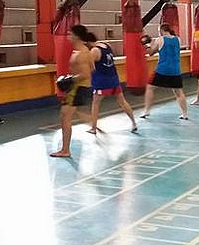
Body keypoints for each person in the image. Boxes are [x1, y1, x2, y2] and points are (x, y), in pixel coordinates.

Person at [50, 25, 94, 158]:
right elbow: (93, 68)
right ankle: (65, 148)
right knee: (66, 116)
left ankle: (65, 150)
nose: (68, 36)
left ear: (76, 36)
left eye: (70, 34)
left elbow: (86, 73)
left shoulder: (82, 54)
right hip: (77, 88)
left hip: (78, 88)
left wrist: (69, 80)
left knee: (65, 117)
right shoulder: (81, 51)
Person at [84, 29, 137, 134]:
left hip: (102, 80)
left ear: (88, 42)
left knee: (95, 103)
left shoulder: (94, 51)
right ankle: (134, 122)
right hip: (113, 78)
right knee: (122, 101)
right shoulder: (106, 45)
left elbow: (91, 68)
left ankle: (93, 128)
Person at [142, 24, 188, 120]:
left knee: (150, 88)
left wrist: (146, 44)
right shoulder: (178, 39)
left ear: (162, 30)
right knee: (179, 92)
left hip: (162, 70)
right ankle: (185, 114)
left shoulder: (160, 39)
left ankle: (146, 111)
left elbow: (150, 53)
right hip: (176, 70)